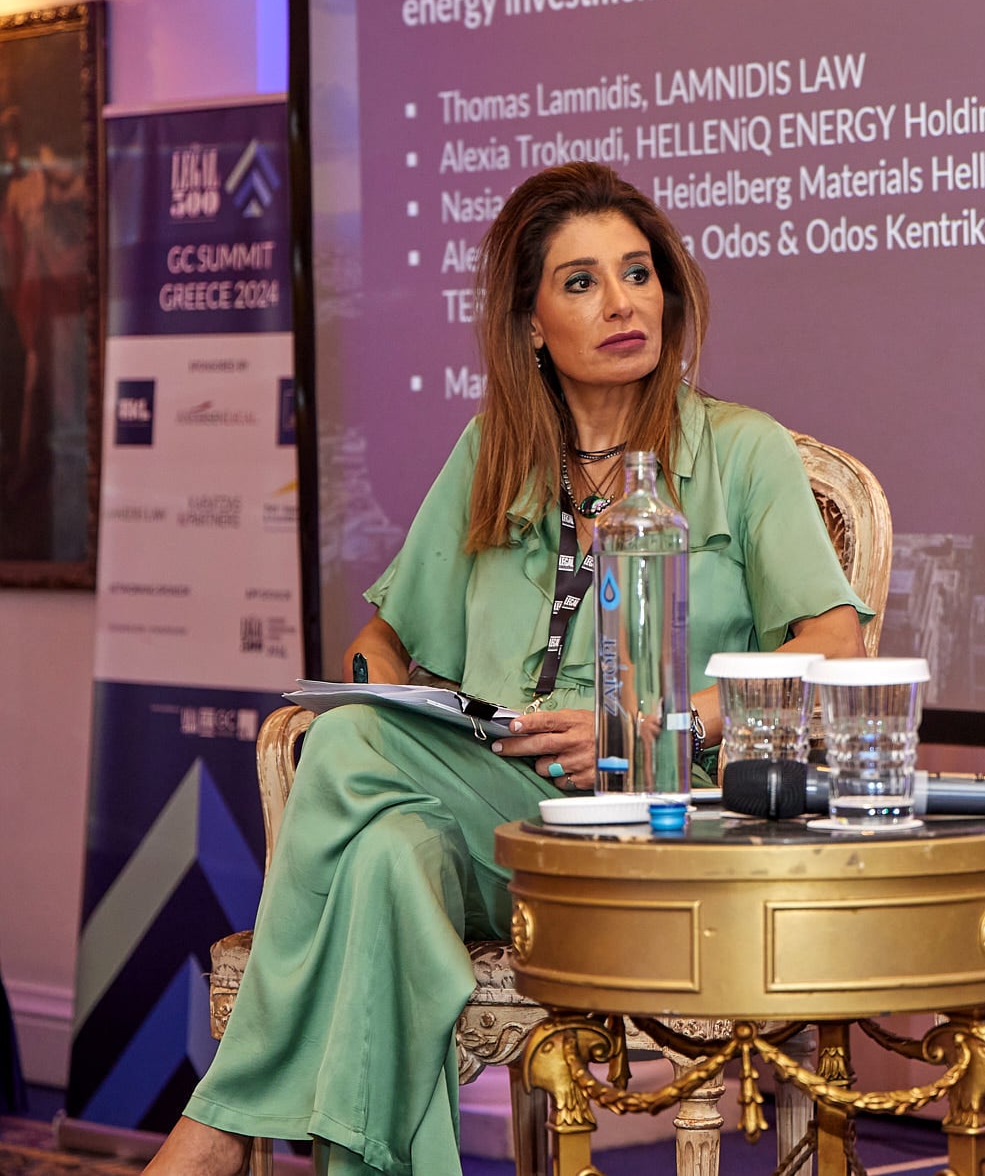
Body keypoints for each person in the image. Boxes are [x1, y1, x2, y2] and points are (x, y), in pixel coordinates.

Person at [147, 162, 868, 1175]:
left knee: (366, 799)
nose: (621, 302)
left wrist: (661, 722)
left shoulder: (742, 452)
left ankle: (220, 1125)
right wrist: (405, 697)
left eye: (637, 273)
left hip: (661, 820)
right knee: (381, 829)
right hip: (505, 816)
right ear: (530, 323)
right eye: (581, 282)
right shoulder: (492, 451)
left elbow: (836, 646)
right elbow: (382, 642)